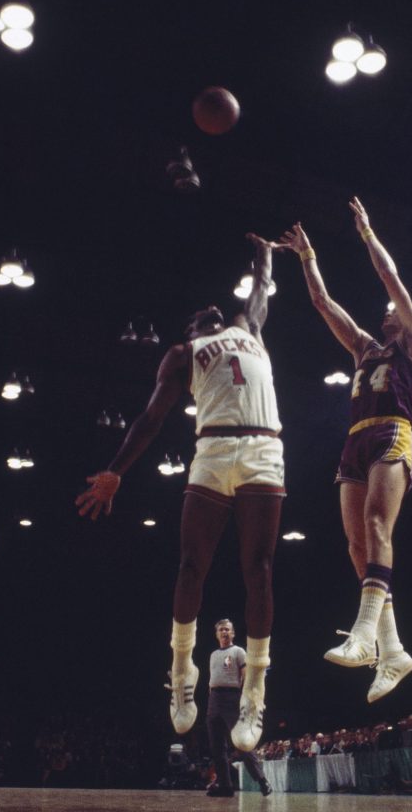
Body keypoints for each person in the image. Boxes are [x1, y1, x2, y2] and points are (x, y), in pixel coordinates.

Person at [76, 236, 282, 752]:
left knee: (258, 569)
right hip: (212, 451)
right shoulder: (182, 354)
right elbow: (150, 419)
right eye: (198, 317)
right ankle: (181, 668)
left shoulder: (248, 327)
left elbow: (261, 294)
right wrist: (116, 471)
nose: (208, 313)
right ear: (191, 330)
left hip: (262, 449)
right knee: (192, 566)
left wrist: (264, 255)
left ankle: (254, 689)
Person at [274, 198, 412, 703]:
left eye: (397, 311)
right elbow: (322, 304)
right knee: (355, 547)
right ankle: (392, 648)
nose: (388, 311)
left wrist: (366, 233)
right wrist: (307, 256)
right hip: (355, 438)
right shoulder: (364, 348)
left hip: (392, 431)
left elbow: (392, 280)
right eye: (387, 311)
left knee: (377, 527)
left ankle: (365, 633)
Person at [205, 619, 271, 798]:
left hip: (232, 698)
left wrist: (245, 699)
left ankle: (262, 780)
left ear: (233, 633)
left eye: (227, 629)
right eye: (221, 630)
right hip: (214, 699)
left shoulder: (238, 651)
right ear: (217, 634)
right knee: (217, 747)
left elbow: (246, 676)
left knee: (241, 743)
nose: (224, 632)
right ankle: (225, 786)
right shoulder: (213, 654)